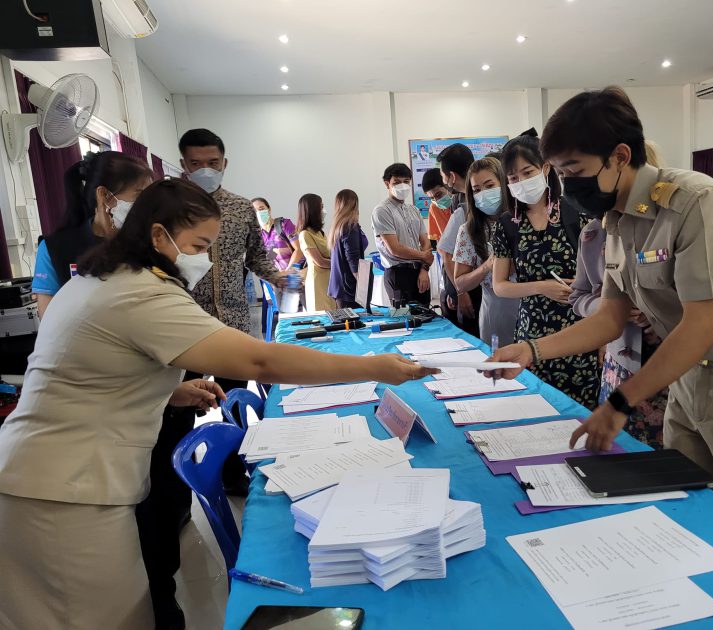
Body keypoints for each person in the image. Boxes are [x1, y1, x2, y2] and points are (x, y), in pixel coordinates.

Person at [0, 178, 434, 630]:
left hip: (49, 473)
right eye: (198, 245)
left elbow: (88, 370)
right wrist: (373, 367)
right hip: (61, 490)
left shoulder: (101, 279)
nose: (204, 260)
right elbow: (260, 360)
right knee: (99, 617)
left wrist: (167, 391)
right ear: (157, 235)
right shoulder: (141, 292)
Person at [491, 86, 713, 536]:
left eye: (574, 170)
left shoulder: (696, 201)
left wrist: (620, 401)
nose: (567, 184)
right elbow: (609, 317)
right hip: (689, 378)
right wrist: (531, 350)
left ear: (620, 156)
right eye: (558, 172)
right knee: (685, 512)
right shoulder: (615, 220)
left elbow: (703, 324)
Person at [137, 128, 286, 629]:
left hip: (232, 323)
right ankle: (180, 494)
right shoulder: (169, 211)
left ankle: (230, 473)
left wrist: (277, 275)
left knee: (231, 403)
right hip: (183, 327)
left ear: (225, 161)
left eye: (213, 161)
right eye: (196, 162)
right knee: (179, 413)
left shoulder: (241, 209)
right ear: (182, 164)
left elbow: (257, 256)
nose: (206, 169)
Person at [568, 142, 668, 449]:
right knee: (621, 447)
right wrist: (609, 307)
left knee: (668, 453)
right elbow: (579, 297)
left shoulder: (668, 225)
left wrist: (653, 311)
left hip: (670, 358)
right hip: (621, 359)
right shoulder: (593, 233)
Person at [491, 132, 600, 409]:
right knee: (535, 408)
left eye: (528, 173)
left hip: (580, 332)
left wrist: (604, 341)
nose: (521, 182)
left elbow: (604, 281)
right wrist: (542, 287)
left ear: (546, 168)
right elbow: (500, 286)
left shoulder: (578, 213)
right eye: (513, 178)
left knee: (579, 412)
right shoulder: (507, 224)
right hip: (531, 332)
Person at [31, 151, 151, 318]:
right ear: (104, 196)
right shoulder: (54, 249)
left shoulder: (150, 243)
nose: (148, 205)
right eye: (139, 195)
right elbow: (48, 319)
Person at [453, 157, 519, 346]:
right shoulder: (468, 231)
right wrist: (487, 266)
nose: (483, 194)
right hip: (496, 312)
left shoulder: (524, 221)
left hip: (533, 307)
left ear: (503, 184)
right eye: (477, 190)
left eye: (489, 186)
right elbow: (460, 283)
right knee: (501, 362)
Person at [371, 163, 433, 307]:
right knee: (404, 318)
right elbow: (395, 249)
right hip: (398, 274)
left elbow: (426, 242)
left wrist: (424, 269)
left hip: (419, 272)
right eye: (397, 182)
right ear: (387, 184)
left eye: (406, 182)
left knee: (426, 315)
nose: (402, 186)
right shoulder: (382, 211)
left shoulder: (414, 210)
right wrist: (423, 256)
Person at [437, 143, 481, 336]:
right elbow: (447, 251)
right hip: (472, 284)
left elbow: (446, 253)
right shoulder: (460, 205)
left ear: (452, 177)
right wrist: (458, 292)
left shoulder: (468, 205)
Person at [328, 189, 368, 309]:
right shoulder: (349, 227)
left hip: (340, 286)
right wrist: (364, 286)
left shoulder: (338, 226)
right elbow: (353, 259)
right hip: (350, 288)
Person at [297, 193, 336, 311]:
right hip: (318, 282)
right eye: (321, 207)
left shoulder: (319, 232)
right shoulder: (305, 234)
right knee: (322, 314)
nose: (324, 211)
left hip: (329, 279)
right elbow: (320, 261)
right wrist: (339, 264)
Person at [251, 196, 302, 271]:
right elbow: (270, 257)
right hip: (279, 276)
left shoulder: (284, 224)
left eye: (261, 209)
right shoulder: (258, 235)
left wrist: (288, 271)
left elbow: (298, 249)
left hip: (296, 273)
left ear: (269, 209)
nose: (258, 213)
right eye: (255, 211)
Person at [423, 167, 453, 247]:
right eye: (432, 198)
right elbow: (434, 238)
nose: (436, 200)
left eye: (438, 194)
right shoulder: (434, 207)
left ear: (448, 186)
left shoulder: (464, 202)